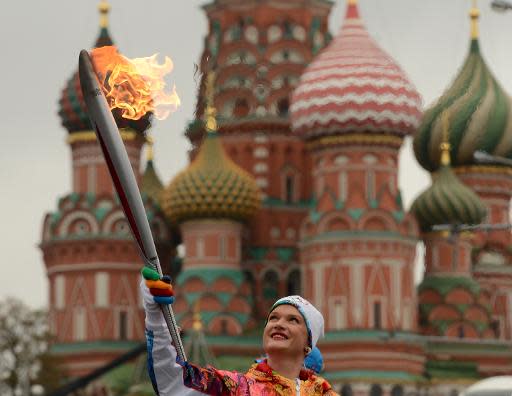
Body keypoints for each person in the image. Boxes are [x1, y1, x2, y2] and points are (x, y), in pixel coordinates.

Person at [141, 267, 339, 395]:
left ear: (308, 344)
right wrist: (156, 317)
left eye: (293, 320)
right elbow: (174, 382)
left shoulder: (323, 392)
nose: (279, 324)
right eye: (273, 318)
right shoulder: (237, 388)